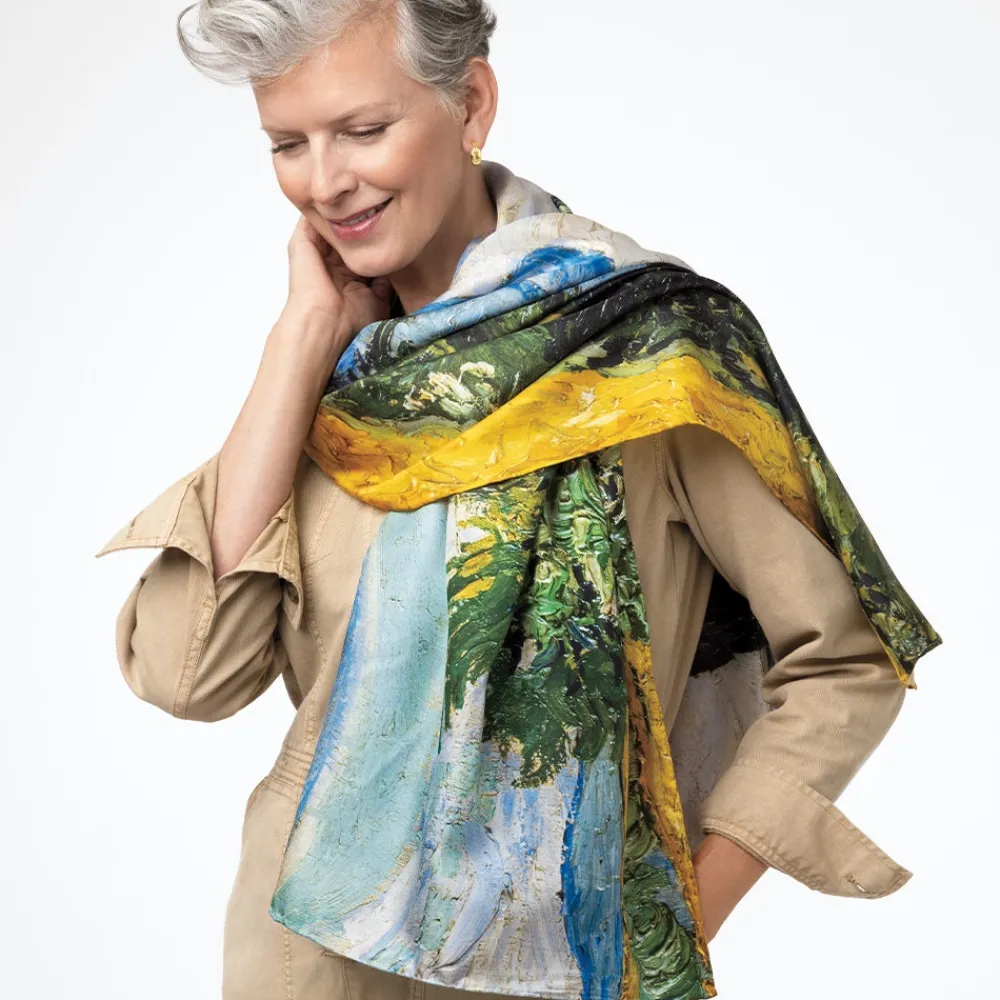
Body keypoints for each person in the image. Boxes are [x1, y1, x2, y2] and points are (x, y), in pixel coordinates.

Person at [95, 2, 941, 998]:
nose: (325, 181)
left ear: (470, 103)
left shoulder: (643, 356)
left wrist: (670, 927)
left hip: (570, 963)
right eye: (288, 144)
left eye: (362, 130)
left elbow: (845, 657)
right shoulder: (339, 378)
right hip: (307, 959)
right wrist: (299, 341)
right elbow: (188, 674)